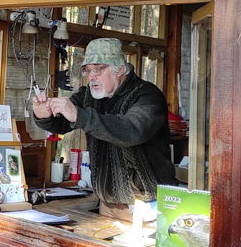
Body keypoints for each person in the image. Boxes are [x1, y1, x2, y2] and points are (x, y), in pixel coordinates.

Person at [33, 38, 177, 220]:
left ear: (120, 70)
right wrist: (43, 114)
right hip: (107, 204)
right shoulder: (88, 96)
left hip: (147, 206)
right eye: (87, 70)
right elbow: (60, 123)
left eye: (98, 69)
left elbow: (132, 130)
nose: (91, 76)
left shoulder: (147, 95)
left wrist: (80, 116)